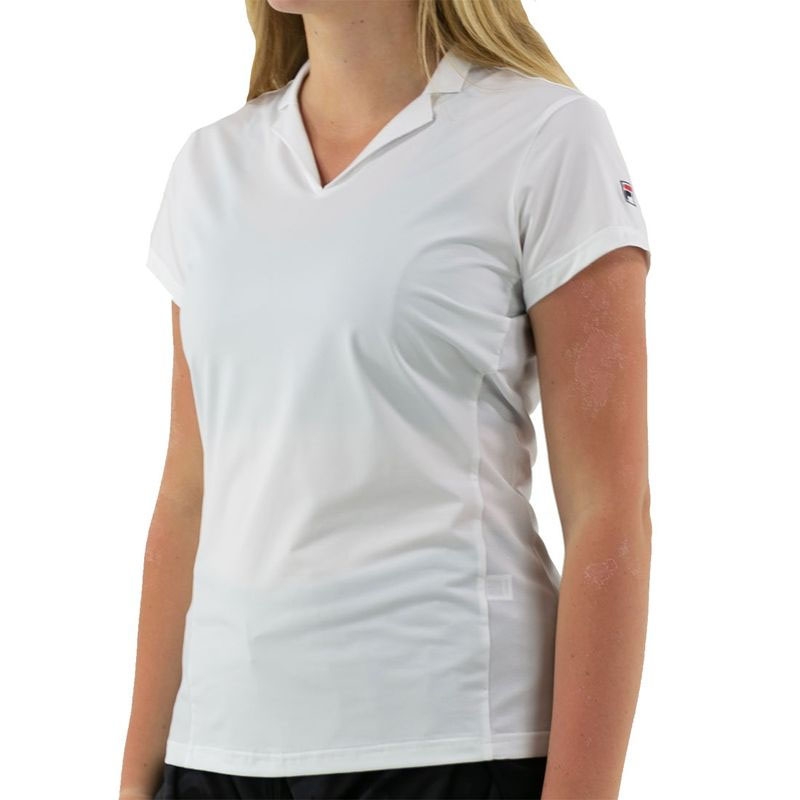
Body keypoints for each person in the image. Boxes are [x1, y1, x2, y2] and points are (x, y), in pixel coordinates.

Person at [119, 0, 653, 798]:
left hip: (447, 742)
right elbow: (189, 494)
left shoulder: (545, 138)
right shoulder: (211, 167)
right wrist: (136, 779)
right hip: (218, 752)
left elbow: (610, 509)